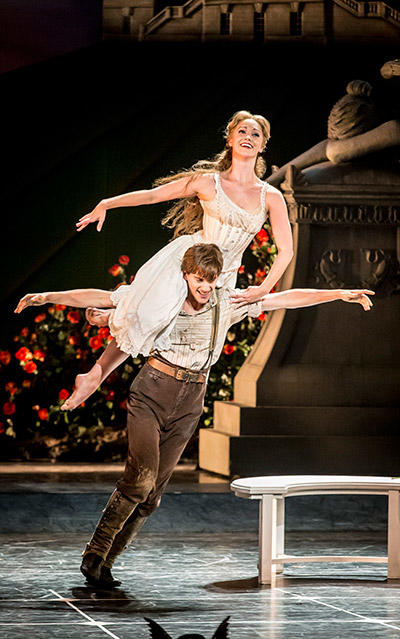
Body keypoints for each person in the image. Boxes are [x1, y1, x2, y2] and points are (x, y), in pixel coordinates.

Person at [15, 244, 374, 587]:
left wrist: (337, 294)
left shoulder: (225, 302)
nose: (205, 286)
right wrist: (47, 297)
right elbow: (103, 297)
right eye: (198, 279)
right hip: (153, 391)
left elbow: (281, 299)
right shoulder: (163, 299)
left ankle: (107, 562)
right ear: (186, 275)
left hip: (190, 401)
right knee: (139, 481)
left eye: (211, 279)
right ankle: (95, 553)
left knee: (152, 496)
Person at [44, 110, 295, 410]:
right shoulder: (208, 182)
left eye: (255, 134)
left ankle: (110, 318)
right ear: (230, 139)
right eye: (242, 131)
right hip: (191, 261)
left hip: (221, 277)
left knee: (190, 336)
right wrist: (107, 203)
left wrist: (263, 288)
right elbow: (153, 196)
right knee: (153, 311)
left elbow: (286, 251)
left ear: (263, 145)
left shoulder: (270, 196)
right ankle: (95, 374)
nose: (248, 138)